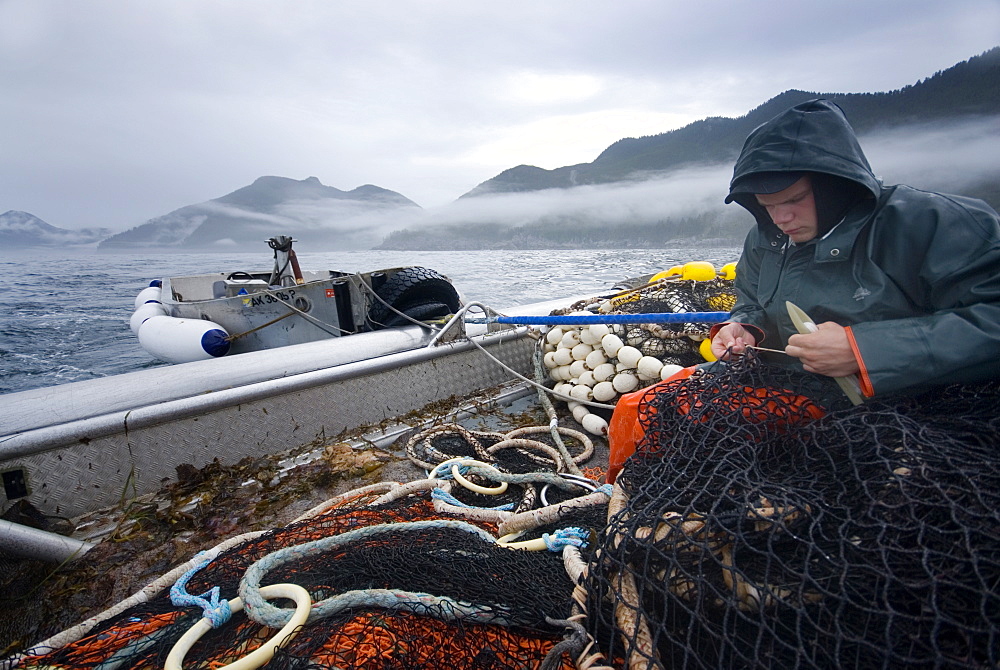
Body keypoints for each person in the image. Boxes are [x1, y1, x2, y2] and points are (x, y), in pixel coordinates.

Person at [711, 98, 1000, 400]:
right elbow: (752, 302)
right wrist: (745, 328)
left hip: (913, 407)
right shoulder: (764, 237)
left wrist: (864, 350)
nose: (781, 218)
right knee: (659, 410)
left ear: (836, 185)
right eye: (766, 205)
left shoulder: (934, 222)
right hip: (786, 392)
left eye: (794, 199)